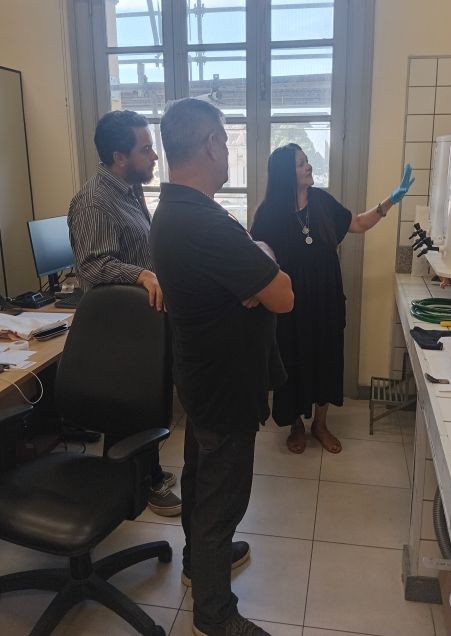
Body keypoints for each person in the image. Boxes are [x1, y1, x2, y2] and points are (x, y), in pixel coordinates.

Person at [150, 98, 293, 636]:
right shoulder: (203, 222)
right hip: (225, 382)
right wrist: (262, 268)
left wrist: (258, 259)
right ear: (210, 144)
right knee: (221, 497)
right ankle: (214, 615)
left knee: (201, 477)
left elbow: (260, 261)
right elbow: (282, 294)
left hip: (203, 375)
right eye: (226, 140)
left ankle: (198, 563)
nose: (229, 149)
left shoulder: (178, 210)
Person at [250, 143, 414, 454]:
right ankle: (296, 425)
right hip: (289, 304)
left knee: (326, 359)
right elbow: (256, 254)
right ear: (286, 173)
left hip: (326, 299)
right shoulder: (269, 214)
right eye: (301, 164)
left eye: (307, 161)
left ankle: (320, 424)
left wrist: (389, 202)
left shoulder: (322, 202)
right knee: (292, 361)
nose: (308, 167)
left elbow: (358, 223)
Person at [67, 109, 181, 517]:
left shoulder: (130, 190)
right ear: (120, 157)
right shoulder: (94, 203)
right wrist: (142, 274)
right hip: (118, 331)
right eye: (145, 149)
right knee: (128, 409)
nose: (154, 156)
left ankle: (146, 476)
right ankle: (135, 486)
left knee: (145, 407)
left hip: (141, 325)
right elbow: (93, 266)